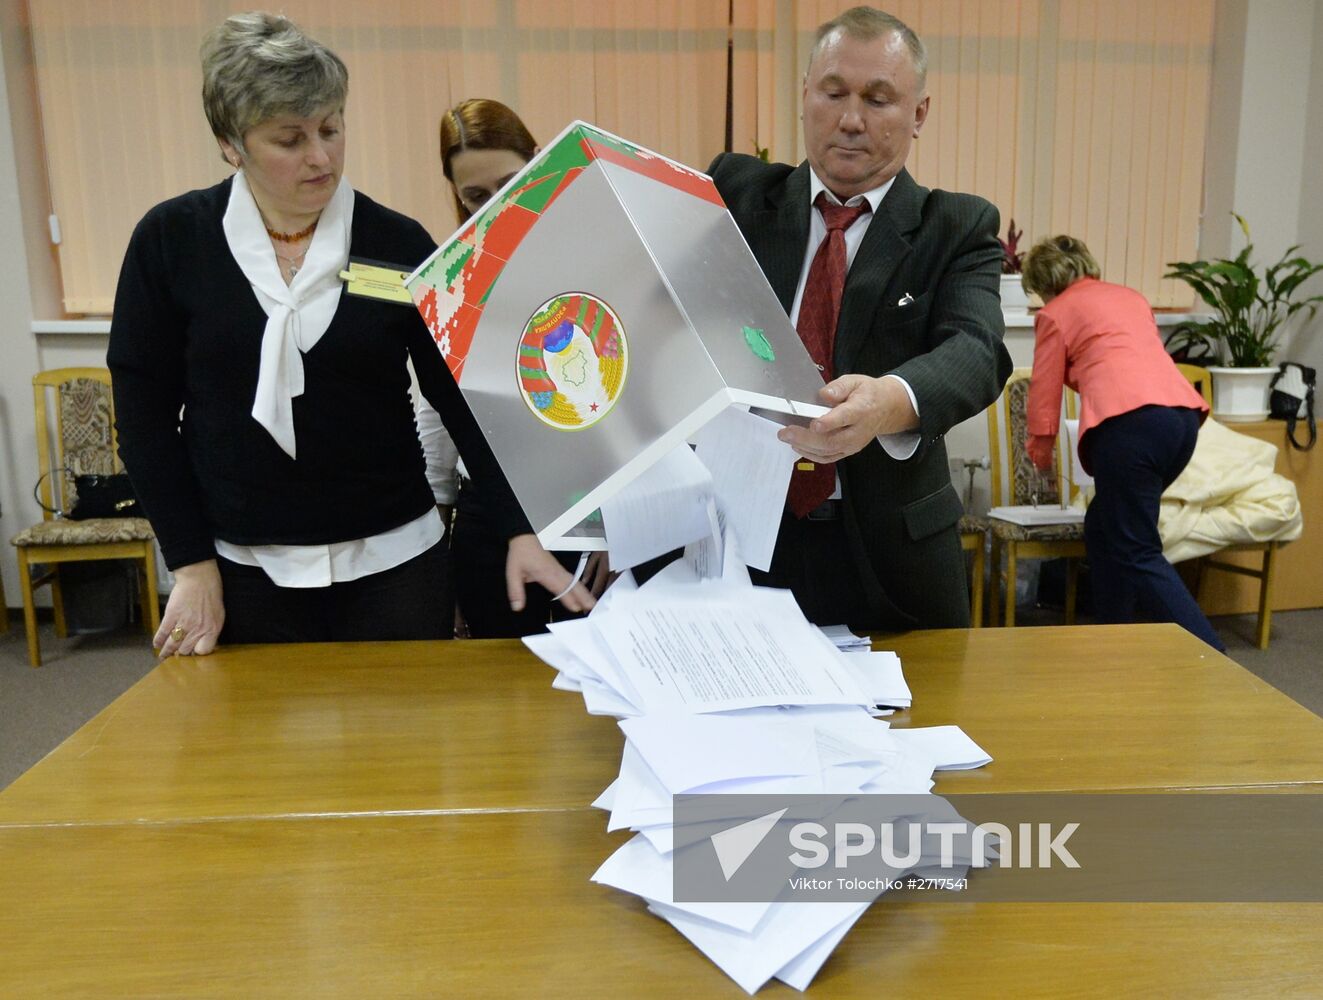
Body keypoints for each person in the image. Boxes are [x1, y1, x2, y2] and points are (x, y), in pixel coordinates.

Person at [107, 13, 590, 657]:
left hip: (395, 565)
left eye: (332, 128)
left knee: (400, 752)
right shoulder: (171, 242)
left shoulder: (397, 244)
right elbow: (143, 418)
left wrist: (519, 529)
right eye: (290, 138)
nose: (321, 155)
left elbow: (462, 402)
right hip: (242, 572)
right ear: (231, 143)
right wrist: (190, 562)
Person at [708, 7, 1011, 631]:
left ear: (919, 114)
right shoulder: (735, 197)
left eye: (879, 99)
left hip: (889, 557)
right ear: (805, 96)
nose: (850, 120)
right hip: (739, 541)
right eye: (834, 92)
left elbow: (976, 351)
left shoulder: (955, 227)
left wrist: (888, 402)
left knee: (913, 722)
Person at [418, 98, 610, 638]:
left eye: (512, 181)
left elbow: (633, 408)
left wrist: (614, 529)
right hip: (488, 519)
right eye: (476, 196)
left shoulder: (599, 262)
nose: (498, 205)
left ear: (540, 161)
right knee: (502, 699)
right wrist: (438, 569)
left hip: (589, 505)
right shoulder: (453, 283)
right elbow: (439, 422)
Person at [1020, 235, 1224, 650]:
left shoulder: (1055, 314)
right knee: (1103, 523)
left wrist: (1040, 450)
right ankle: (1114, 633)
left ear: (1043, 283)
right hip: (1180, 421)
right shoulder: (1130, 298)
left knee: (1135, 547)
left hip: (1130, 427)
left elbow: (1043, 391)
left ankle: (1212, 654)